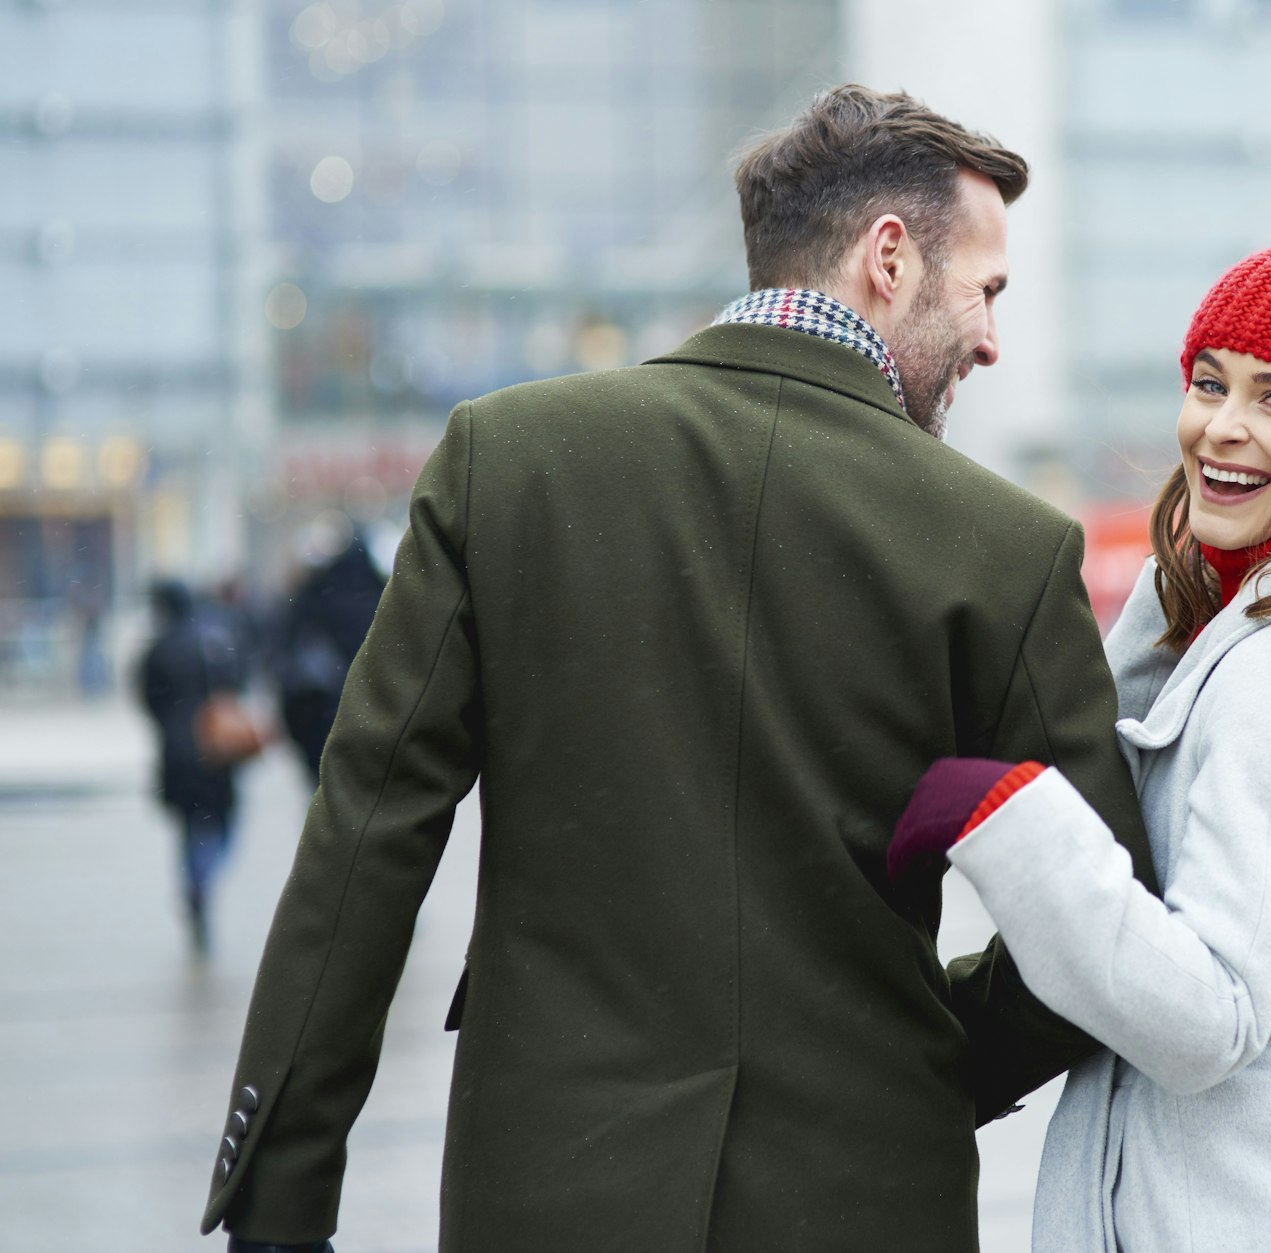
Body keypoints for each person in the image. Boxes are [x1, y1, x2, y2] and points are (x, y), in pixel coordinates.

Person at [199, 85, 1155, 1252]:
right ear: (888, 260)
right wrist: (931, 1051)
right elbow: (1107, 916)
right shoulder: (1004, 545)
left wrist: (280, 1203)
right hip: (867, 1196)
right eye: (986, 291)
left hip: (550, 1190)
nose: (993, 339)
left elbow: (364, 842)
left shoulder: (507, 463)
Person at [891, 210, 1271, 1250]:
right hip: (1267, 1180)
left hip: (1264, 1197)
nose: (1219, 426)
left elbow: (1208, 1015)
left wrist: (1004, 820)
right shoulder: (1249, 615)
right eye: (1208, 381)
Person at [138, 579, 248, 954]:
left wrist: (173, 722)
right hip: (215, 746)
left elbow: (148, 697)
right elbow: (236, 681)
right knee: (222, 825)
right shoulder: (212, 639)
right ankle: (203, 877)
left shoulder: (159, 645)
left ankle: (195, 880)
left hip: (176, 750)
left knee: (190, 828)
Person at [273, 529, 386, 782]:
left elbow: (286, 655)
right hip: (369, 718)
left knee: (324, 789)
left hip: (320, 716)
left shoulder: (314, 594)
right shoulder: (382, 599)